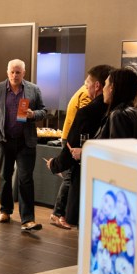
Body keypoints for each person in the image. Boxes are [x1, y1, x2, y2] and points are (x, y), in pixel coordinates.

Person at [58, 67, 137, 274]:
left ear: (114, 88)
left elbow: (116, 156)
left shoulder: (118, 115)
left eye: (108, 84)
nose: (104, 89)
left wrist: (85, 152)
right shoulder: (134, 114)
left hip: (113, 192)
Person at [47, 65, 113, 228]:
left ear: (97, 86)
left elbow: (73, 145)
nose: (85, 88)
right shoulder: (115, 110)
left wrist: (55, 164)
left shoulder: (90, 111)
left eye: (86, 84)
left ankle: (59, 214)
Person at [0, 59, 47, 231]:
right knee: (5, 176)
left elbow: (44, 111)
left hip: (25, 141)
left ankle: (27, 219)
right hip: (4, 140)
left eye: (18, 72)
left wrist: (33, 114)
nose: (15, 75)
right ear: (7, 72)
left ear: (24, 73)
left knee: (25, 178)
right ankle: (5, 210)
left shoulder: (33, 89)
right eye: (12, 72)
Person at [50, 84, 91, 228]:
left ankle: (60, 213)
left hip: (69, 137)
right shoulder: (86, 94)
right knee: (70, 177)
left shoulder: (82, 90)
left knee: (70, 176)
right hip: (72, 140)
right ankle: (58, 213)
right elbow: (86, 118)